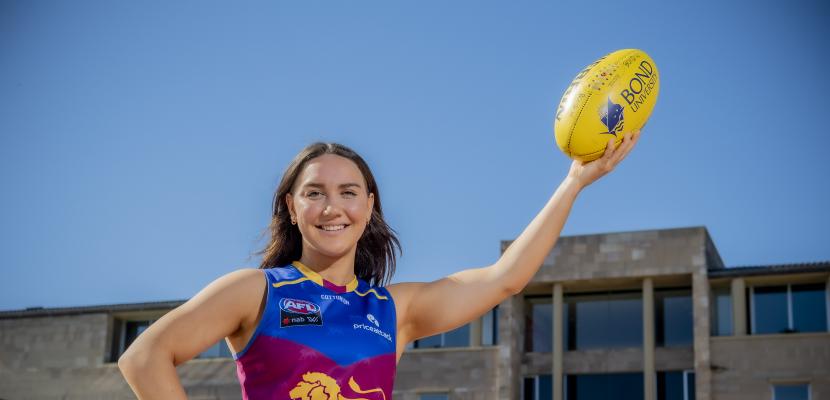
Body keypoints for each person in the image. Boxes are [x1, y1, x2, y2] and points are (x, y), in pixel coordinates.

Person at [118, 131, 639, 399]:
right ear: (290, 208)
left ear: (368, 207)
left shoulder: (394, 310)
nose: (331, 207)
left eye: (348, 192)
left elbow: (506, 279)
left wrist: (573, 182)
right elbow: (144, 358)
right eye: (314, 193)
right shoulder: (255, 292)